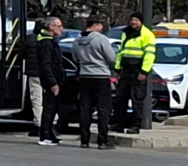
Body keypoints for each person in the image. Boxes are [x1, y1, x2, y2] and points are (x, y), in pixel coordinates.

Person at [73, 18, 116, 149]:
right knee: (103, 109)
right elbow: (112, 57)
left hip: (85, 76)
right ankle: (102, 140)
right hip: (101, 76)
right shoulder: (100, 39)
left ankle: (84, 140)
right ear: (95, 25)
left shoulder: (76, 40)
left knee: (85, 108)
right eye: (100, 25)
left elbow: (75, 58)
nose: (102, 28)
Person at [113, 12, 157, 134]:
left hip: (138, 71)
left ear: (141, 22)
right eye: (132, 20)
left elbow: (149, 55)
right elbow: (120, 52)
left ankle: (135, 126)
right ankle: (119, 124)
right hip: (126, 70)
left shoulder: (147, 35)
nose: (133, 22)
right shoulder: (125, 33)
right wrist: (117, 69)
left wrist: (144, 71)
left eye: (136, 20)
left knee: (137, 99)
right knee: (120, 98)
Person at [36, 17, 66, 146]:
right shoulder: (47, 43)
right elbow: (46, 65)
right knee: (49, 107)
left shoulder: (51, 42)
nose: (62, 28)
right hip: (51, 81)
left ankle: (50, 133)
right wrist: (53, 83)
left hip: (55, 79)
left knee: (53, 108)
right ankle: (45, 135)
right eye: (59, 26)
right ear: (51, 27)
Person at [23, 17, 45, 137]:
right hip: (46, 74)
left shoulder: (30, 38)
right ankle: (50, 123)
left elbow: (22, 54)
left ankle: (38, 124)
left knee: (36, 100)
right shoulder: (47, 40)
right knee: (47, 100)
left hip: (33, 73)